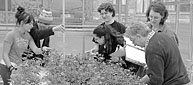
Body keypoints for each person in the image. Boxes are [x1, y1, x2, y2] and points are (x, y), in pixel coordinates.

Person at [125, 21, 190, 85]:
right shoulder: (161, 36)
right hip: (181, 79)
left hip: (173, 82)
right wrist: (138, 83)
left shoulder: (152, 48)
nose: (134, 44)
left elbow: (156, 80)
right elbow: (154, 72)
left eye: (133, 40)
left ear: (138, 36)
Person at [0, 6, 52, 85]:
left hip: (18, 66)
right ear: (22, 23)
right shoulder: (11, 35)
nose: (32, 26)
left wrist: (43, 49)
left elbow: (36, 50)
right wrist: (11, 67)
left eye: (32, 24)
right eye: (30, 24)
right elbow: (4, 55)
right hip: (7, 66)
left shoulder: (28, 37)